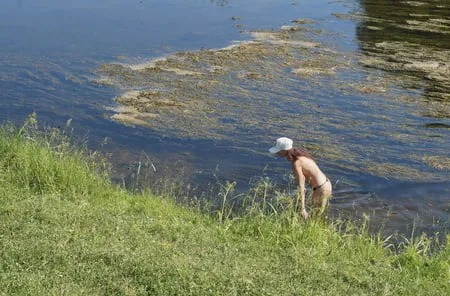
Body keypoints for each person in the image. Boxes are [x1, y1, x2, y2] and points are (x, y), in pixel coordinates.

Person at [269, 137, 332, 219]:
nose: (277, 153)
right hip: (326, 184)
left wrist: (302, 209)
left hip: (321, 189)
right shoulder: (302, 155)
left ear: (284, 151)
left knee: (314, 219)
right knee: (316, 216)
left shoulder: (296, 163)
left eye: (278, 151)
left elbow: (301, 187)